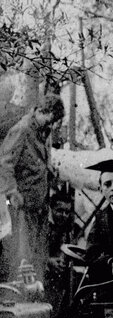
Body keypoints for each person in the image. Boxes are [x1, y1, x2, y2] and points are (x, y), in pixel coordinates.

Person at [0, 94, 65, 284]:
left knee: (38, 257)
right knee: (23, 258)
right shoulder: (22, 130)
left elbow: (39, 161)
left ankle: (36, 295)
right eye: (50, 120)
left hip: (39, 206)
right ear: (41, 111)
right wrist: (12, 192)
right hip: (22, 206)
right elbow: (4, 164)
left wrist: (49, 170)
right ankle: (22, 297)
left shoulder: (43, 132)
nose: (51, 126)